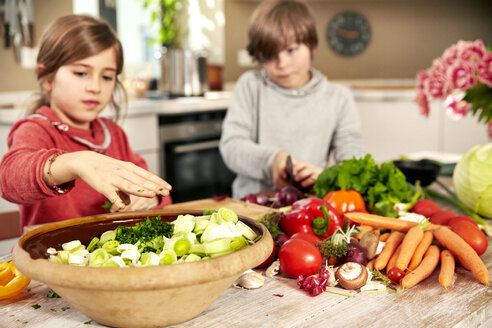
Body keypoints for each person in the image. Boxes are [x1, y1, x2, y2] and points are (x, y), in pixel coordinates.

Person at [0, 14, 172, 231]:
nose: (95, 87)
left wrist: (151, 200)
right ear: (47, 79)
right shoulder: (35, 129)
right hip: (50, 259)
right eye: (81, 73)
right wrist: (75, 162)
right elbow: (9, 180)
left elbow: (158, 194)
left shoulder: (114, 133)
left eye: (107, 77)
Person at [219, 0, 366, 199]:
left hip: (310, 207)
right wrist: (273, 160)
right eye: (270, 55)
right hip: (250, 206)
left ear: (312, 46)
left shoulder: (338, 98)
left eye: (291, 50)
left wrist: (326, 177)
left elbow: (352, 161)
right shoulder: (250, 86)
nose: (282, 63)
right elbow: (232, 147)